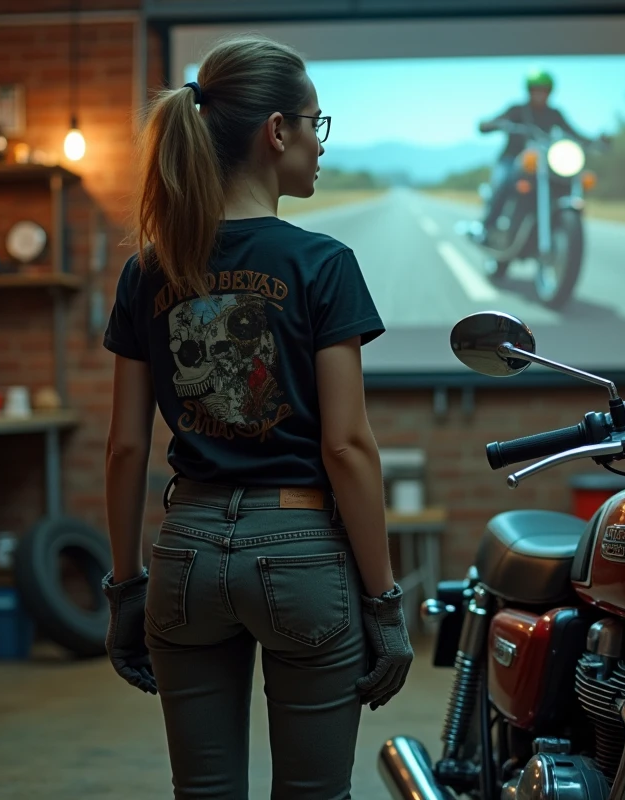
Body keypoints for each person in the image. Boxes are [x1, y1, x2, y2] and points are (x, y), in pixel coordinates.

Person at [99, 34, 414, 800]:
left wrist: (125, 589)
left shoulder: (149, 269)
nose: (319, 143)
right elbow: (345, 447)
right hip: (303, 555)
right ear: (278, 131)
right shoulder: (323, 263)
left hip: (187, 555)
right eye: (316, 124)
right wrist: (384, 601)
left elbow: (122, 448)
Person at [475, 68, 609, 242]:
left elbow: (573, 133)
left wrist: (594, 141)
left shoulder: (554, 114)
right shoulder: (517, 110)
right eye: (536, 90)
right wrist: (492, 124)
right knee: (504, 182)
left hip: (543, 162)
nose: (540, 94)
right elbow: (497, 120)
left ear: (549, 92)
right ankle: (486, 227)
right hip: (513, 160)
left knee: (564, 181)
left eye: (544, 90)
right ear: (529, 91)